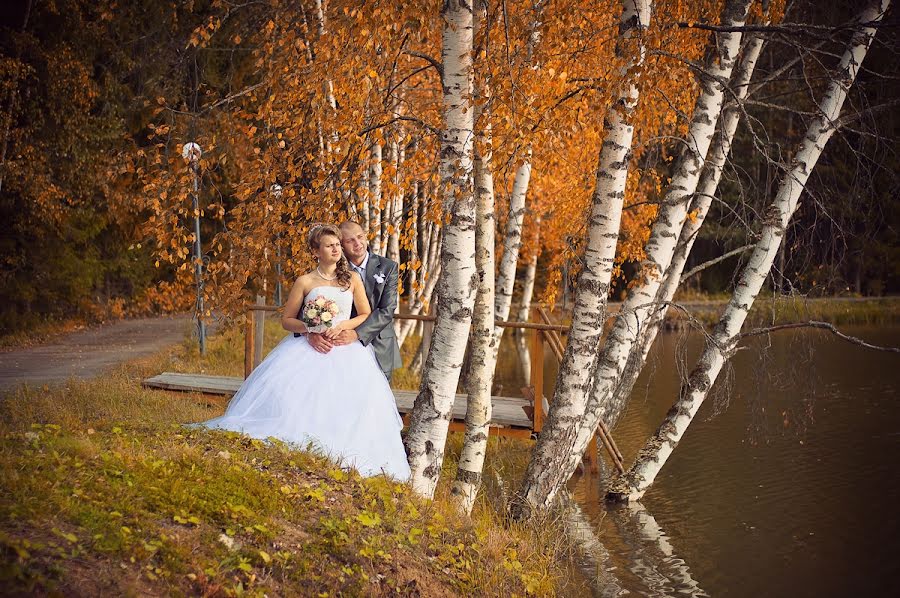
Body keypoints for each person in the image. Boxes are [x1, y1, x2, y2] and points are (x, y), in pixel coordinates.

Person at [196, 224, 410, 480]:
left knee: (359, 402)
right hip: (314, 345)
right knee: (308, 398)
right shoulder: (305, 281)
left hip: (353, 346)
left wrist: (348, 329)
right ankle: (313, 444)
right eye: (334, 244)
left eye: (340, 244)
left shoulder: (364, 275)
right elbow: (288, 319)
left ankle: (350, 448)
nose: (339, 249)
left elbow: (373, 312)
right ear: (315, 251)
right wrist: (311, 330)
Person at [300, 220, 402, 382]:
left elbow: (386, 310)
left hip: (379, 344)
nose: (358, 243)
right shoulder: (331, 268)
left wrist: (356, 334)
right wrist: (310, 333)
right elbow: (305, 309)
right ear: (341, 245)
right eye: (350, 241)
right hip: (337, 347)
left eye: (360, 237)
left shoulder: (387, 267)